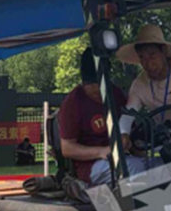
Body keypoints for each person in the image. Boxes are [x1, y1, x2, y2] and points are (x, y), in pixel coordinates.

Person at [58, 48, 151, 186]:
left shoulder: (116, 94)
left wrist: (128, 141)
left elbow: (128, 128)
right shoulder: (73, 102)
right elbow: (67, 148)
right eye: (94, 91)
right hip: (90, 166)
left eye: (102, 88)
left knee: (159, 165)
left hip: (122, 157)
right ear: (85, 83)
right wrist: (102, 152)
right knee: (135, 168)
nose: (100, 95)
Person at [116, 25, 171, 160]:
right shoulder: (139, 84)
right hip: (165, 147)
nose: (148, 63)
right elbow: (128, 114)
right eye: (142, 57)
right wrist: (123, 133)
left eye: (152, 55)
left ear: (163, 52)